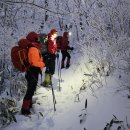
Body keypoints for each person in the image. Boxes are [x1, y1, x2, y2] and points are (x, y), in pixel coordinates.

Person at [21, 32, 45, 115]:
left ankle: (29, 105)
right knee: (30, 90)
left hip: (31, 72)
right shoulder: (33, 48)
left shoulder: (32, 47)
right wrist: (42, 64)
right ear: (33, 39)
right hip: (32, 72)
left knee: (31, 89)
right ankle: (25, 109)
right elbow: (33, 62)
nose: (38, 39)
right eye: (36, 38)